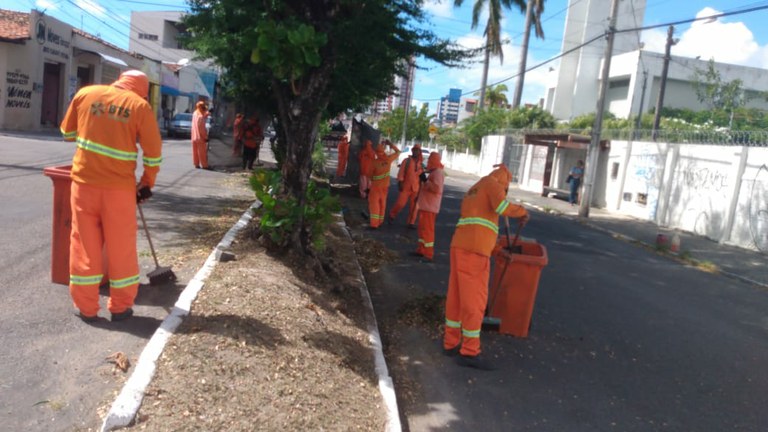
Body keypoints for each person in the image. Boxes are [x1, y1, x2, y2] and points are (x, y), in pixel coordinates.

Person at [59, 69, 163, 323]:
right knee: (121, 248)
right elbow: (153, 153)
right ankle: (120, 307)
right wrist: (146, 184)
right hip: (119, 191)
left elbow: (67, 133)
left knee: (84, 245)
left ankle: (87, 308)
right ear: (142, 89)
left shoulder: (85, 94)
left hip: (84, 185)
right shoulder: (139, 106)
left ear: (119, 80)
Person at [443, 164, 529, 370]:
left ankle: (450, 342)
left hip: (461, 246)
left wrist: (497, 248)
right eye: (506, 189)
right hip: (474, 252)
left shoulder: (476, 187)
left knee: (456, 297)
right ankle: (470, 352)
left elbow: (482, 225)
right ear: (505, 182)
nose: (505, 192)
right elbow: (502, 207)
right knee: (475, 301)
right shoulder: (493, 185)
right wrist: (522, 212)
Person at [413, 152, 445, 261]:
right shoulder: (435, 172)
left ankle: (428, 253)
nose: (428, 161)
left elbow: (436, 189)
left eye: (430, 159)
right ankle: (421, 250)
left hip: (430, 207)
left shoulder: (438, 173)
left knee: (427, 230)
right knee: (422, 229)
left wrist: (425, 180)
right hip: (426, 205)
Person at [388, 145, 424, 228]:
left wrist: (421, 189)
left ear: (419, 152)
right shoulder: (406, 161)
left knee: (414, 207)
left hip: (416, 188)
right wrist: (400, 183)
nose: (415, 152)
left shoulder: (420, 164)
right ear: (412, 151)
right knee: (400, 204)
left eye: (417, 150)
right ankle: (392, 215)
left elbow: (421, 177)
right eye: (414, 150)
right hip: (405, 187)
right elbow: (401, 173)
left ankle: (411, 222)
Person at [367, 140, 400, 229]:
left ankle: (374, 224)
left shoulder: (374, 162)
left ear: (376, 152)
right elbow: (398, 152)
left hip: (376, 187)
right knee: (382, 203)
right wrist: (391, 144)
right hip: (385, 186)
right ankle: (380, 221)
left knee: (374, 204)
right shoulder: (388, 159)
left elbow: (369, 175)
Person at [191, 101, 209, 169]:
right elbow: (201, 129)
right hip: (200, 137)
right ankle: (204, 165)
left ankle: (196, 164)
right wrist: (205, 137)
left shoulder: (195, 113)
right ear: (202, 108)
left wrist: (206, 114)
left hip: (193, 136)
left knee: (195, 151)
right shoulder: (201, 117)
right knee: (202, 152)